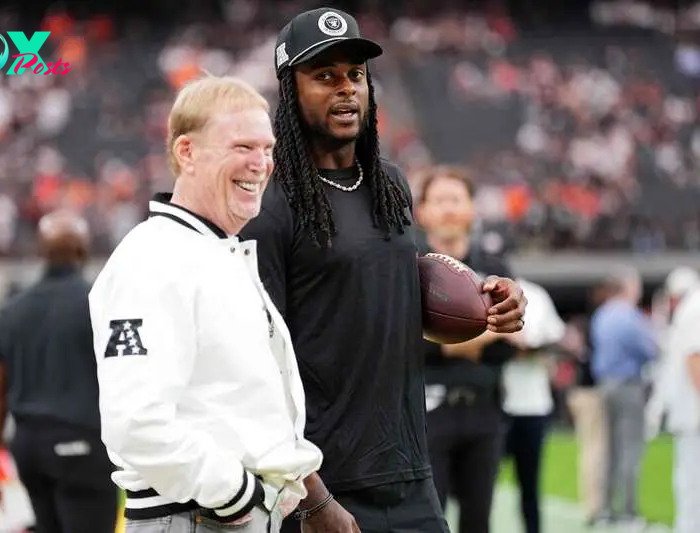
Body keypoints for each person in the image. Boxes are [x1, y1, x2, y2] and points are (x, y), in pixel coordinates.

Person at [240, 11, 527, 533]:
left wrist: (489, 300)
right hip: (324, 487)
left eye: (355, 74)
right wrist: (311, 498)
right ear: (290, 88)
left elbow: (397, 297)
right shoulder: (270, 203)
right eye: (324, 76)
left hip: (411, 476)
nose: (346, 88)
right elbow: (258, 365)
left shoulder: (390, 183)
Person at [89, 75, 322, 533]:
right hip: (197, 516)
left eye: (267, 148)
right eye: (242, 147)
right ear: (186, 152)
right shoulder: (153, 258)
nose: (261, 164)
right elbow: (136, 423)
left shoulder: (213, 251)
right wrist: (237, 495)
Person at [0, 210, 118, 533]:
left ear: (40, 252)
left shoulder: (8, 313)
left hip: (29, 449)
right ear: (83, 252)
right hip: (83, 443)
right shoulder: (100, 305)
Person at [413, 165, 518, 533]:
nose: (448, 209)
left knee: (479, 521)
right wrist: (478, 338)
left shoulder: (495, 268)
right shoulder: (409, 267)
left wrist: (442, 340)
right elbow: (407, 346)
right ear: (421, 211)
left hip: (484, 409)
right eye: (439, 200)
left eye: (456, 199)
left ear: (472, 208)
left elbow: (510, 344)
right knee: (428, 519)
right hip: (426, 411)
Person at [590, 267, 658, 529]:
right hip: (628, 385)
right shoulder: (629, 316)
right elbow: (650, 350)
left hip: (605, 385)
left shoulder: (602, 314)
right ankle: (629, 512)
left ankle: (607, 509)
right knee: (630, 449)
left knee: (610, 449)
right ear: (629, 287)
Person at [501, 279, 565, 533]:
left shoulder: (536, 294)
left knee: (530, 485)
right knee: (478, 486)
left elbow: (554, 338)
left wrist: (528, 346)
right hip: (498, 404)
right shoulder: (483, 285)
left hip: (533, 406)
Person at [647, 267, 700, 533]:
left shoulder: (690, 308)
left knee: (690, 489)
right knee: (693, 492)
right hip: (695, 416)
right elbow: (695, 359)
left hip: (690, 414)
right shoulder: (696, 308)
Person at [565, 282, 611, 526]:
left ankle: (596, 505)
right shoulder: (593, 324)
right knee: (594, 451)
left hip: (581, 392)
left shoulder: (588, 324)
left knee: (593, 450)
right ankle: (594, 507)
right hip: (588, 393)